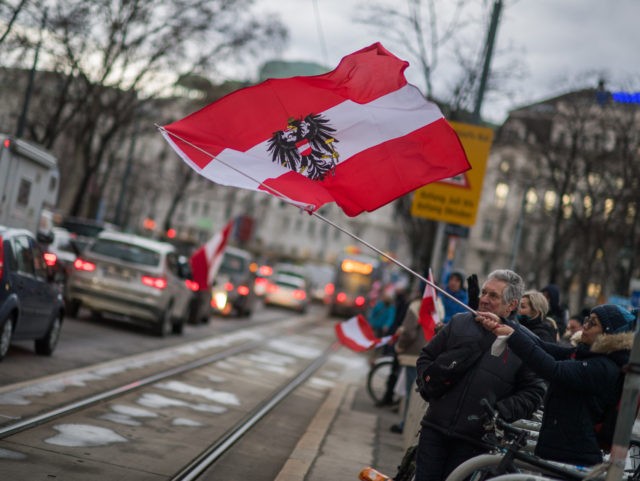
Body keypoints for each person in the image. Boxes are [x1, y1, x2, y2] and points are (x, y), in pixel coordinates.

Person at [415, 269, 546, 481]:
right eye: (484, 292)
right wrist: (427, 388)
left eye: (493, 296)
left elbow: (534, 392)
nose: (484, 299)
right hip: (434, 428)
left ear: (511, 304)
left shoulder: (525, 343)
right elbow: (426, 357)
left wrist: (497, 412)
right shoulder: (459, 322)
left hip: (475, 441)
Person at [477, 304, 636, 466]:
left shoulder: (602, 367)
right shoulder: (588, 355)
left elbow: (553, 369)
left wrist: (512, 336)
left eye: (593, 323)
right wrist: (505, 323)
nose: (585, 326)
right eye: (587, 320)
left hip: (573, 456)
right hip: (560, 451)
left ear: (608, 334)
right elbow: (542, 346)